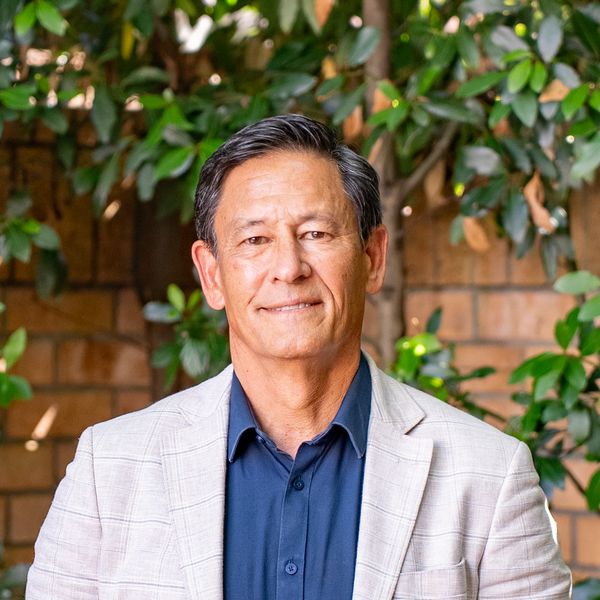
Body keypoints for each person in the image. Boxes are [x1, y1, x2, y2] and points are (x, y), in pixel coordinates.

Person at [27, 114, 571, 600]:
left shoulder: (490, 475)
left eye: (315, 233)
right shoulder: (108, 470)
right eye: (255, 240)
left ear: (373, 257)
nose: (289, 267)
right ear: (211, 275)